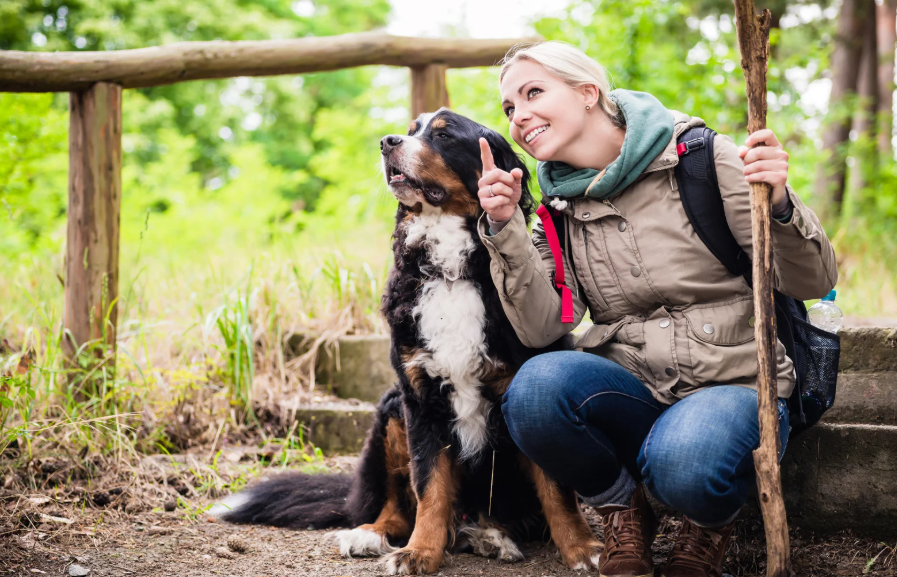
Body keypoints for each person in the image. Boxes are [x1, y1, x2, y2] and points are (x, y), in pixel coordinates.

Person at [476, 41, 837, 577]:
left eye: (533, 93)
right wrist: (506, 231)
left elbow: (814, 278)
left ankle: (710, 523)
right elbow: (542, 326)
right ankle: (626, 510)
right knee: (532, 391)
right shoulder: (557, 208)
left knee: (685, 463)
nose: (519, 116)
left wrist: (780, 204)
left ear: (587, 92)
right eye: (509, 108)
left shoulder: (702, 159)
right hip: (637, 389)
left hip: (735, 385)